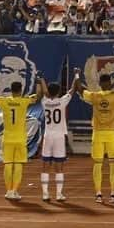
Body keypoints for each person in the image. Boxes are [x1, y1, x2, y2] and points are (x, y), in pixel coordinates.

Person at [77, 73, 114, 203]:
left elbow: (80, 90)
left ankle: (98, 194)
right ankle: (113, 194)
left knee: (98, 163)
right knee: (113, 163)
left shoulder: (94, 96)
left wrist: (77, 76)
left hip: (97, 133)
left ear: (100, 84)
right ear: (111, 83)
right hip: (112, 133)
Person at [0, 80, 36, 200]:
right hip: (20, 138)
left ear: (11, 90)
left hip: (7, 138)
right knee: (18, 164)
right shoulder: (24, 101)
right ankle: (15, 190)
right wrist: (38, 82)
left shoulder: (4, 101)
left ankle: (8, 191)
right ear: (21, 90)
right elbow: (38, 95)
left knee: (8, 164)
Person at [38, 70, 81, 202]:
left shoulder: (44, 102)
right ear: (58, 92)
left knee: (45, 165)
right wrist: (77, 76)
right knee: (59, 166)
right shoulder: (62, 101)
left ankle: (45, 194)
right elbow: (73, 90)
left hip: (48, 136)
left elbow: (43, 92)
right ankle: (58, 194)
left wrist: (41, 79)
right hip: (59, 137)